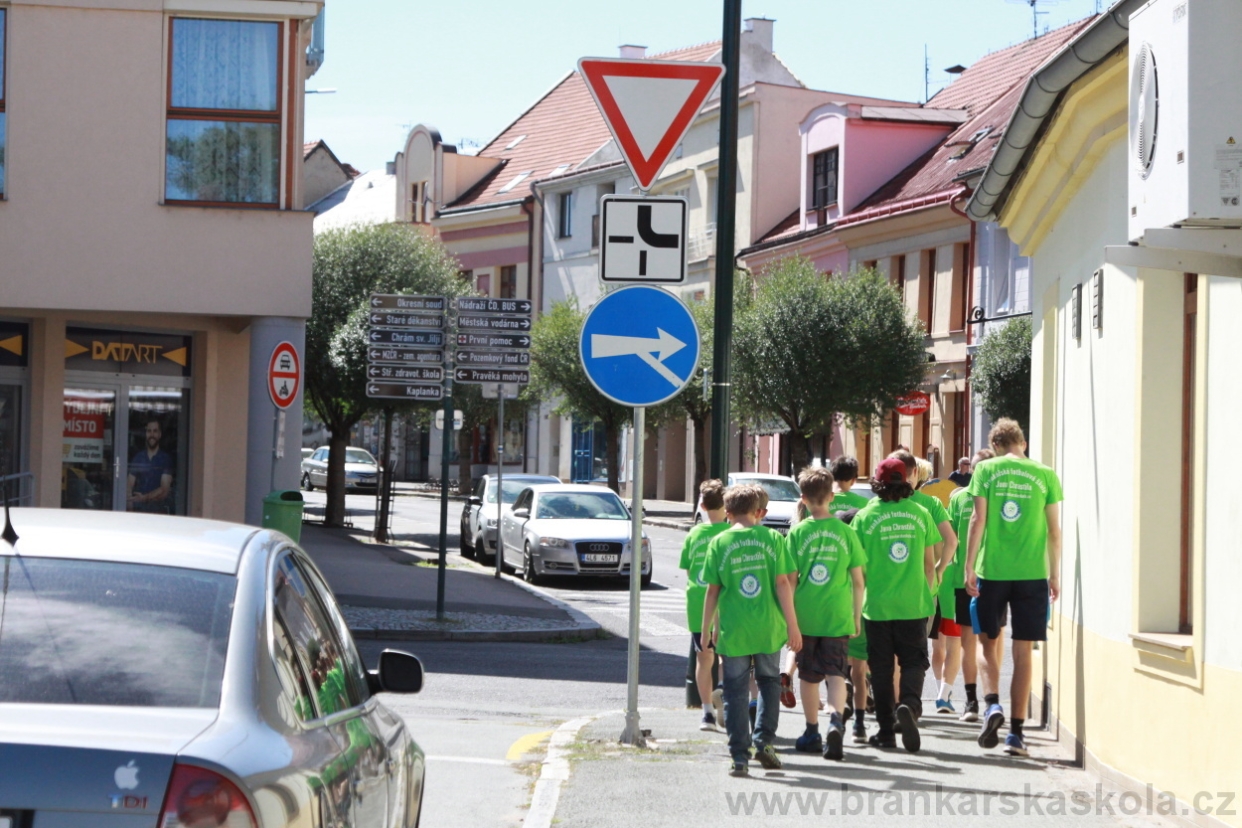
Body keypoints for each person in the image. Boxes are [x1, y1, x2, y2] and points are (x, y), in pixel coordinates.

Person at [965, 419, 1063, 758]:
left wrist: (968, 566)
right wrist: (1054, 574)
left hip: (992, 571)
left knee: (986, 643)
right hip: (1032, 573)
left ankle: (991, 705)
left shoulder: (987, 471)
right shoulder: (1045, 474)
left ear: (995, 446)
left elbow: (979, 520)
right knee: (1023, 653)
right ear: (1022, 441)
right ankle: (1016, 736)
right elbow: (1054, 532)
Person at [700, 485, 801, 777]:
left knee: (734, 691)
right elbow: (783, 584)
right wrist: (793, 625)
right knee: (769, 683)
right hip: (769, 628)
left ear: (728, 512)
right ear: (757, 510)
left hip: (735, 630)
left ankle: (739, 757)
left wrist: (707, 629)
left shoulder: (720, 542)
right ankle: (764, 742)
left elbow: (713, 591)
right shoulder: (772, 538)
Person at [850, 458, 940, 753]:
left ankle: (887, 732)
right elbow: (929, 566)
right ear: (906, 481)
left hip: (875, 605)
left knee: (881, 668)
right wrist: (928, 596)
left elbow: (858, 570)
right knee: (914, 661)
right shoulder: (920, 513)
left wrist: (857, 606)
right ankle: (911, 706)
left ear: (876, 483)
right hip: (913, 603)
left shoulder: (864, 517)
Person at [786, 466, 865, 761]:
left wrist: (789, 620)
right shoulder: (846, 532)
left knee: (808, 676)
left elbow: (790, 580)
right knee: (835, 673)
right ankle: (836, 720)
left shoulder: (797, 532)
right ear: (832, 496)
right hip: (838, 614)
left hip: (806, 615)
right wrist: (856, 617)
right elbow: (858, 580)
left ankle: (811, 731)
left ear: (803, 498)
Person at [679, 479, 730, 732]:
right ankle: (722, 688)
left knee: (703, 657)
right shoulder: (729, 534)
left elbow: (689, 570)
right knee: (727, 654)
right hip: (727, 603)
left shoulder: (695, 533)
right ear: (726, 504)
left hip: (699, 603)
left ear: (702, 504)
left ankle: (707, 713)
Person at [948, 448, 994, 722]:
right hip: (976, 576)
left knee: (979, 642)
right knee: (979, 641)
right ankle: (980, 701)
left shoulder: (970, 499)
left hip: (981, 576)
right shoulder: (964, 499)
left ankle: (981, 701)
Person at [127, 418, 173, 513]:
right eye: (149, 431)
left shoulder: (165, 459)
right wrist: (129, 503)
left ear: (159, 434)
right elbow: (129, 484)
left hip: (158, 512)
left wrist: (144, 498)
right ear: (146, 434)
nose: (152, 435)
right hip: (138, 512)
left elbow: (164, 490)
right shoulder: (138, 457)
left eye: (155, 431)